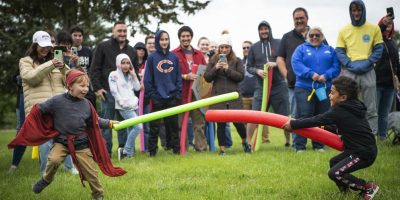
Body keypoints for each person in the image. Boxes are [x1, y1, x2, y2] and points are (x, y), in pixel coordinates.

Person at [9, 69, 125, 200]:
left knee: (91, 173)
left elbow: (95, 121)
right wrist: (34, 115)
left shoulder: (87, 104)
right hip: (62, 142)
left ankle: (98, 195)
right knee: (54, 160)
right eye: (82, 86)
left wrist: (109, 123)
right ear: (70, 86)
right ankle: (46, 179)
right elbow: (39, 110)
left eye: (87, 86)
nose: (85, 89)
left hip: (81, 144)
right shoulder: (57, 101)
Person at [283, 76, 379, 199]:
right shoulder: (352, 107)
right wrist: (322, 128)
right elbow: (339, 127)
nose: (329, 95)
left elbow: (317, 119)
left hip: (363, 153)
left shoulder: (340, 110)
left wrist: (294, 124)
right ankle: (346, 193)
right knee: (334, 163)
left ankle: (367, 187)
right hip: (357, 150)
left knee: (335, 173)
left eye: (332, 93)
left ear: (343, 97)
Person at [18, 30, 73, 174]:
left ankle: (70, 168)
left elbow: (70, 81)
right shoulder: (25, 61)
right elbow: (31, 78)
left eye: (48, 46)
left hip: (59, 107)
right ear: (35, 45)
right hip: (40, 108)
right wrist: (51, 64)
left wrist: (63, 68)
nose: (46, 49)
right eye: (42, 46)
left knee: (65, 137)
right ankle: (45, 172)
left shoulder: (55, 61)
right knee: (45, 142)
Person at [335, 0, 383, 135]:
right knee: (348, 105)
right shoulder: (344, 30)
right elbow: (339, 51)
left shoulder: (374, 28)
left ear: (363, 10)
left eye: (359, 10)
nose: (356, 13)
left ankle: (371, 136)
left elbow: (379, 49)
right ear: (350, 12)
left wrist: (367, 62)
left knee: (371, 107)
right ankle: (349, 135)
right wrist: (350, 64)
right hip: (350, 72)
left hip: (368, 71)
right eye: (353, 10)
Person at [291, 27, 340, 152]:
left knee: (321, 116)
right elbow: (296, 63)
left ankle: (319, 145)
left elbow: (336, 66)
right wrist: (310, 74)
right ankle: (299, 146)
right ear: (308, 36)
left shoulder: (330, 50)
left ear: (322, 36)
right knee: (304, 115)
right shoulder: (301, 49)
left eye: (317, 35)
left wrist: (326, 75)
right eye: (311, 35)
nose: (314, 37)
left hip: (323, 88)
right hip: (304, 87)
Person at [90, 21, 135, 156]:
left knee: (123, 124)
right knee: (106, 124)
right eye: (119, 31)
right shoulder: (103, 46)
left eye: (124, 31)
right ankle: (105, 152)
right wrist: (97, 88)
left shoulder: (131, 50)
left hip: (125, 95)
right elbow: (94, 69)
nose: (122, 34)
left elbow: (134, 72)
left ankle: (123, 151)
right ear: (113, 31)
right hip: (107, 92)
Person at [204, 32, 251, 155]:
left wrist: (227, 69)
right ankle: (222, 149)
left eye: (227, 47)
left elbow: (240, 77)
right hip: (218, 97)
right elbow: (207, 77)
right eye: (222, 47)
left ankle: (244, 141)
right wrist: (216, 68)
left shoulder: (237, 61)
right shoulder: (213, 60)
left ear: (231, 48)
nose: (224, 50)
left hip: (234, 97)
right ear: (219, 48)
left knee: (238, 123)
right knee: (221, 124)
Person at [247, 21, 291, 147]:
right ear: (259, 31)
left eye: (266, 29)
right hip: (261, 87)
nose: (264, 31)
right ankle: (248, 143)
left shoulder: (279, 43)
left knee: (284, 114)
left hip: (279, 85)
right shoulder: (254, 47)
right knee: (254, 114)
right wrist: (257, 71)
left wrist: (276, 64)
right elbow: (249, 67)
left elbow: (286, 60)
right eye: (261, 29)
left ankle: (288, 141)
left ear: (269, 30)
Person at [143, 30, 182, 157]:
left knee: (174, 127)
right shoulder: (152, 58)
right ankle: (152, 152)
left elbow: (178, 78)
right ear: (157, 41)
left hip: (171, 98)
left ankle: (176, 151)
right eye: (161, 39)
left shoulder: (174, 57)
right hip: (157, 98)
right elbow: (148, 79)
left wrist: (177, 94)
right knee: (154, 127)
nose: (164, 42)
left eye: (166, 39)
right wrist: (153, 96)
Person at [276, 7, 311, 147]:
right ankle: (298, 146)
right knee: (297, 115)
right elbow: (279, 59)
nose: (299, 21)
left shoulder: (315, 34)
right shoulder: (287, 37)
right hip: (294, 85)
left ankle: (319, 144)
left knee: (316, 115)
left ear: (307, 18)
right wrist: (287, 75)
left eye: (301, 18)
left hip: (315, 84)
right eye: (296, 18)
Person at [172, 26, 208, 152]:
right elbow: (171, 74)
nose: (186, 38)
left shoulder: (198, 54)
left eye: (188, 36)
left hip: (196, 93)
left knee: (199, 124)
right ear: (179, 38)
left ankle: (201, 148)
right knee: (181, 124)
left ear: (191, 37)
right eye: (183, 36)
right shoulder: (174, 54)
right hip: (181, 93)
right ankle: (183, 148)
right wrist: (185, 76)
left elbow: (205, 72)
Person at [109, 53, 142, 160]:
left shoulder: (130, 75)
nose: (126, 65)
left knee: (131, 128)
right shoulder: (113, 74)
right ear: (118, 63)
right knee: (138, 127)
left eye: (128, 63)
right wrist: (121, 102)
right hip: (123, 107)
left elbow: (137, 88)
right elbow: (113, 90)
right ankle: (125, 150)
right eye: (123, 63)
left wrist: (134, 76)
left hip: (134, 105)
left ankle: (129, 155)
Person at [375, 15, 399, 141]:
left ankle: (382, 137)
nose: (388, 26)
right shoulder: (377, 40)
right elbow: (378, 31)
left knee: (384, 113)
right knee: (373, 113)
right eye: (386, 24)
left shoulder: (393, 43)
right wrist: (383, 23)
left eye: (391, 24)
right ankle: (371, 137)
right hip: (377, 82)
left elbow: (396, 63)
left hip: (390, 84)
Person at [70, 26, 97, 108]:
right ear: (70, 36)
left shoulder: (88, 51)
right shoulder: (67, 52)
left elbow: (92, 69)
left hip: (87, 86)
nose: (77, 38)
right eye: (75, 35)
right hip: (72, 87)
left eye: (80, 35)